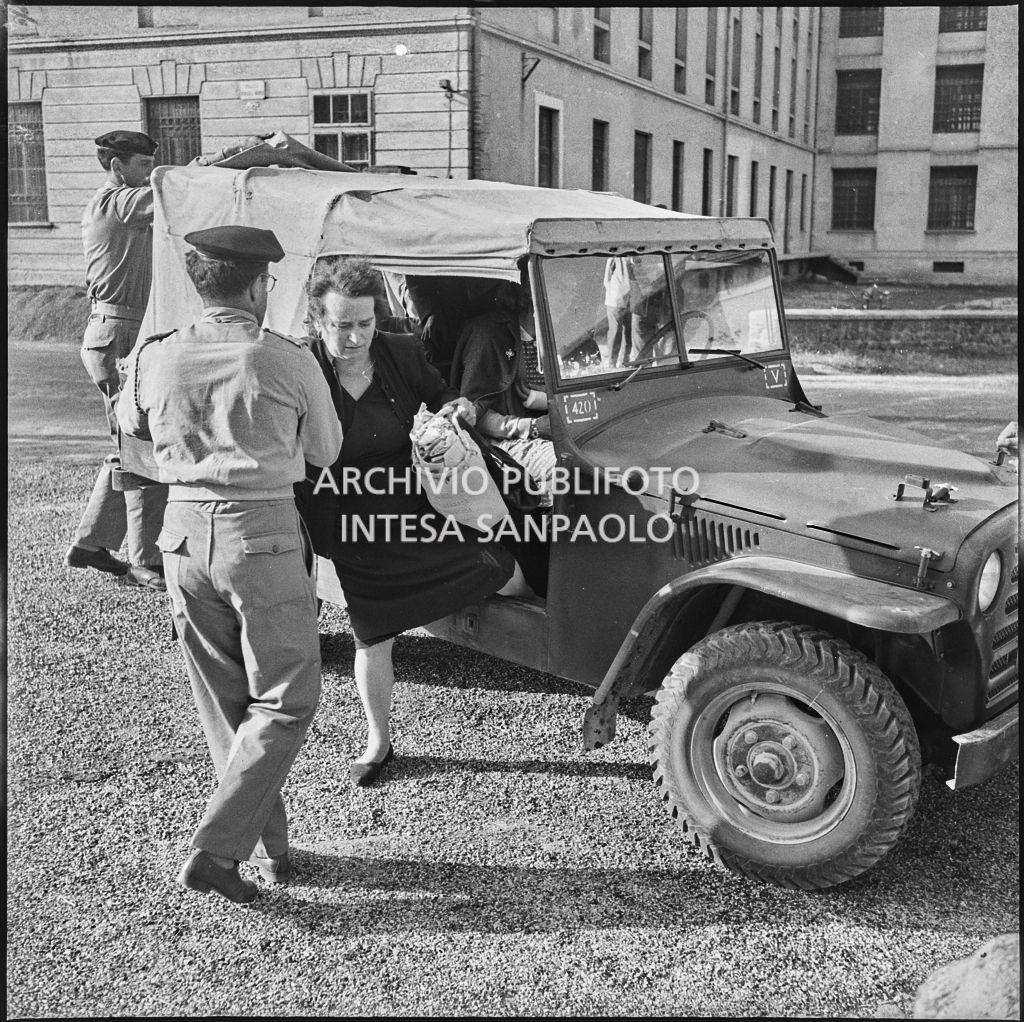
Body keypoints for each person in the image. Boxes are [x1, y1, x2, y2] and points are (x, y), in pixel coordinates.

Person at [118, 225, 344, 903]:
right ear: (256, 286)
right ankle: (216, 852)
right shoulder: (287, 358)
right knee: (286, 699)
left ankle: (270, 851)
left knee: (228, 705)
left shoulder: (155, 355)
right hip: (262, 534)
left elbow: (129, 424)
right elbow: (326, 452)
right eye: (268, 282)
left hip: (182, 536)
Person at [297, 257, 515, 787]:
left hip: (415, 508)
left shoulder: (399, 351)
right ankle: (378, 741)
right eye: (340, 325)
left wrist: (455, 407)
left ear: (379, 319)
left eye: (364, 324)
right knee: (373, 637)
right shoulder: (300, 366)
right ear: (318, 321)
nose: (353, 338)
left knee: (501, 568)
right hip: (349, 526)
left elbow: (440, 396)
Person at [65, 130, 169, 590]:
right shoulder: (119, 203)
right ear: (118, 165)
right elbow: (169, 195)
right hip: (119, 337)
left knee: (129, 445)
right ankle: (148, 563)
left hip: (118, 333)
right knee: (142, 445)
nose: (150, 171)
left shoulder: (112, 202)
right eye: (143, 164)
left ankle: (91, 543)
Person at [450, 280, 557, 502]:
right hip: (507, 441)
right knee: (569, 469)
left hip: (561, 430)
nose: (571, 292)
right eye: (558, 284)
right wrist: (533, 427)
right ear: (529, 292)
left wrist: (542, 401)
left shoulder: (563, 330)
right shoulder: (488, 334)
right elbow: (472, 414)